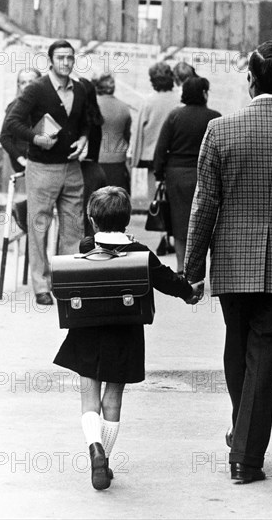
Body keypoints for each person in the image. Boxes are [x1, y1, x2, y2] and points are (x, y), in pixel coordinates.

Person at [184, 41, 272, 484]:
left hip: (231, 260)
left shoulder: (222, 130)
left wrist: (192, 270)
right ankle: (246, 453)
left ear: (250, 79)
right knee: (263, 356)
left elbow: (204, 204)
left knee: (237, 343)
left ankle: (242, 437)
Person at [53, 186, 203, 490]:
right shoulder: (139, 254)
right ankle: (104, 459)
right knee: (113, 399)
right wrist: (190, 293)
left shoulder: (86, 246)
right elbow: (168, 281)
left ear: (93, 221)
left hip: (86, 330)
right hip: (125, 333)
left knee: (88, 398)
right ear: (126, 222)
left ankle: (94, 447)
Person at [7, 39, 89, 305]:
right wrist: (35, 139)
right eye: (61, 58)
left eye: (70, 58)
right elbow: (13, 123)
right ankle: (41, 286)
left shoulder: (80, 88)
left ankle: (64, 282)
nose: (66, 63)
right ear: (51, 61)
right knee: (39, 226)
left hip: (72, 168)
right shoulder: (36, 89)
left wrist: (85, 138)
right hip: (42, 168)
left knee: (73, 228)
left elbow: (87, 120)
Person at [154, 77, 221, 273]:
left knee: (179, 223)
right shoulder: (214, 117)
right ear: (204, 93)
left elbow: (161, 148)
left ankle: (182, 268)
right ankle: (203, 268)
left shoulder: (174, 116)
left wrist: (159, 173)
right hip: (205, 175)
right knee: (206, 222)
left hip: (177, 176)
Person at [131, 62, 180, 256]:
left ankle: (161, 238)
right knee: (173, 199)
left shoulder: (148, 102)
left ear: (152, 81)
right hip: (175, 156)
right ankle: (174, 237)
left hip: (151, 157)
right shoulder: (179, 99)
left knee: (156, 198)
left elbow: (138, 132)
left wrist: (135, 159)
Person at [78, 77, 107, 236]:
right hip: (95, 170)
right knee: (92, 222)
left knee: (81, 223)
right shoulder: (95, 118)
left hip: (83, 172)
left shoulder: (83, 121)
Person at [95, 73, 132, 194]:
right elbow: (127, 135)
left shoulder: (93, 106)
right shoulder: (124, 108)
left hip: (97, 159)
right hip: (118, 160)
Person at [0, 68, 42, 173]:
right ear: (19, 86)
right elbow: (4, 138)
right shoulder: (15, 106)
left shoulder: (46, 104)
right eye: (23, 83)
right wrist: (21, 160)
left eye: (31, 82)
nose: (27, 86)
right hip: (26, 159)